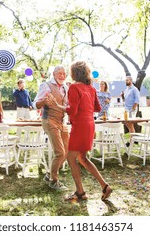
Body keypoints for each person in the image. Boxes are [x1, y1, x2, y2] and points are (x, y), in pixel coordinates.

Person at [50, 61, 113, 201]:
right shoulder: (91, 88)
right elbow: (97, 108)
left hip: (80, 126)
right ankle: (104, 186)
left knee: (71, 158)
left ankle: (80, 192)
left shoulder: (73, 87)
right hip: (90, 124)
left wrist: (57, 105)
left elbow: (73, 110)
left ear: (74, 73)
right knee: (82, 158)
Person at [32, 65, 69, 190]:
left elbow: (67, 104)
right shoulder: (46, 85)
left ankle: (49, 174)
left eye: (64, 73)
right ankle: (54, 180)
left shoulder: (66, 88)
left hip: (62, 122)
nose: (62, 76)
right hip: (49, 120)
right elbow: (35, 104)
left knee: (67, 152)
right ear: (53, 74)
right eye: (59, 73)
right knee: (60, 152)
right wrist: (44, 102)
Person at [121, 76, 140, 144]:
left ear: (131, 81)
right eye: (125, 80)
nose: (126, 82)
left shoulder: (134, 89)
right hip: (126, 109)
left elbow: (137, 100)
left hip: (131, 109)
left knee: (130, 124)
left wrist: (133, 108)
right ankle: (133, 138)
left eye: (127, 80)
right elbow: (125, 100)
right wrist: (122, 96)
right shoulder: (126, 90)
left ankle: (132, 140)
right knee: (126, 123)